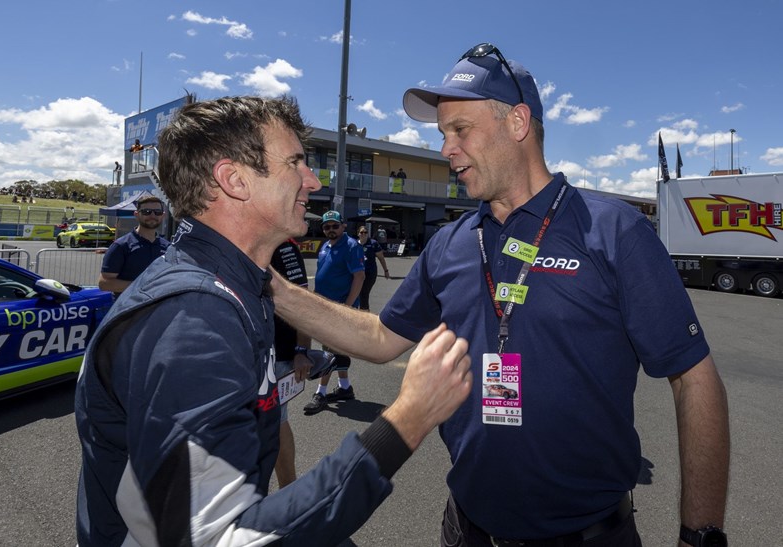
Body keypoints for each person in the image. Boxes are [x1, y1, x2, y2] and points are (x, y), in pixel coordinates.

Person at [271, 44, 730, 547]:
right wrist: (273, 289)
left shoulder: (614, 230)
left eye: (459, 130)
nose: (446, 149)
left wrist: (700, 533)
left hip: (588, 535)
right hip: (465, 528)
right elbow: (382, 337)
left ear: (517, 122)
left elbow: (693, 378)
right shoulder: (450, 243)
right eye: (442, 134)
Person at [74, 95, 473, 546]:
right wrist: (409, 418)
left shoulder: (238, 283)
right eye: (295, 162)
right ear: (234, 180)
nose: (312, 179)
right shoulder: (195, 318)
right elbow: (225, 537)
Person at [302, 211, 365, 415]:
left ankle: (320, 393)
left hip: (338, 309)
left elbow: (359, 277)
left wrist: (346, 306)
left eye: (334, 226)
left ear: (343, 226)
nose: (331, 229)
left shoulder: (351, 246)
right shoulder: (325, 246)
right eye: (327, 226)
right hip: (324, 306)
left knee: (329, 351)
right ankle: (345, 388)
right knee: (337, 350)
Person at [270, 239, 313, 488]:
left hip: (279, 352)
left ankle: (289, 489)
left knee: (275, 420)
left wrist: (301, 349)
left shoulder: (284, 246)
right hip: (247, 350)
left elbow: (303, 299)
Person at [98, 194, 170, 297]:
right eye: (146, 212)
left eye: (157, 212)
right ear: (136, 214)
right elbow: (104, 283)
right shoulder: (121, 246)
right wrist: (143, 285)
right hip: (129, 310)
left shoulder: (168, 247)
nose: (152, 216)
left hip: (158, 309)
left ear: (163, 216)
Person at [356, 225, 390, 311]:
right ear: (358, 234)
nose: (363, 234)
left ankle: (365, 312)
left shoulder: (373, 243)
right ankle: (361, 311)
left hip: (370, 272)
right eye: (361, 232)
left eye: (365, 232)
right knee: (357, 292)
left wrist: (385, 270)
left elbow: (381, 258)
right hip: (358, 273)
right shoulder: (354, 244)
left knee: (364, 292)